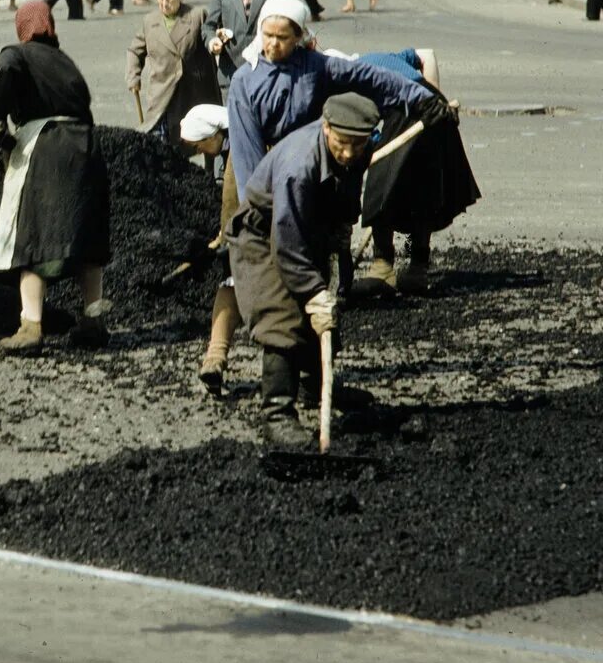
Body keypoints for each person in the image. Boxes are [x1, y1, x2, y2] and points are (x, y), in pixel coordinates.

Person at [227, 93, 382, 446]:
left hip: (308, 225)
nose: (347, 153)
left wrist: (344, 223)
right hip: (263, 232)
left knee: (322, 315)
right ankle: (278, 413)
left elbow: (348, 183)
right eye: (341, 144)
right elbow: (287, 239)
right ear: (326, 128)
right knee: (282, 318)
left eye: (356, 145)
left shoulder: (359, 145)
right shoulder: (299, 165)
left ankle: (316, 386)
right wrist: (312, 291)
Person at [226, 0, 450, 207]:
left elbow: (371, 76)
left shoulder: (316, 66)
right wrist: (257, 204)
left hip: (313, 162)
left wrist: (422, 98)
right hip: (266, 163)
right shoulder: (244, 82)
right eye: (268, 35)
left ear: (297, 37)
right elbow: (247, 151)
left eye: (282, 37)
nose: (273, 44)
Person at [0, 1, 110, 352]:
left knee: (35, 236)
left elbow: (5, 67)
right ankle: (93, 321)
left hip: (48, 149)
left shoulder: (19, 54)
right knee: (87, 240)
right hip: (85, 148)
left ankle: (31, 327)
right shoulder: (65, 61)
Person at [344, 48, 479, 295]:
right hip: (434, 106)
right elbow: (427, 54)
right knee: (421, 188)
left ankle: (383, 267)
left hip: (413, 109)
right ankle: (417, 267)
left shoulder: (346, 81)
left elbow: (364, 139)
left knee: (380, 184)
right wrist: (434, 99)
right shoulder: (385, 57)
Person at [176, 105, 242, 393]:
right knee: (229, 284)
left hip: (258, 230)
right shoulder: (232, 145)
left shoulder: (242, 145)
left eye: (200, 145)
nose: (202, 152)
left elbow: (235, 194)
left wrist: (226, 236)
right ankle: (214, 359)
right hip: (240, 231)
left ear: (213, 135)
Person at [126, 0, 223, 144]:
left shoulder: (197, 15)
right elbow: (134, 51)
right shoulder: (150, 21)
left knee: (202, 142)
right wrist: (133, 76)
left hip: (192, 92)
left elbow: (210, 35)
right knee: (162, 145)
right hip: (162, 92)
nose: (164, 3)